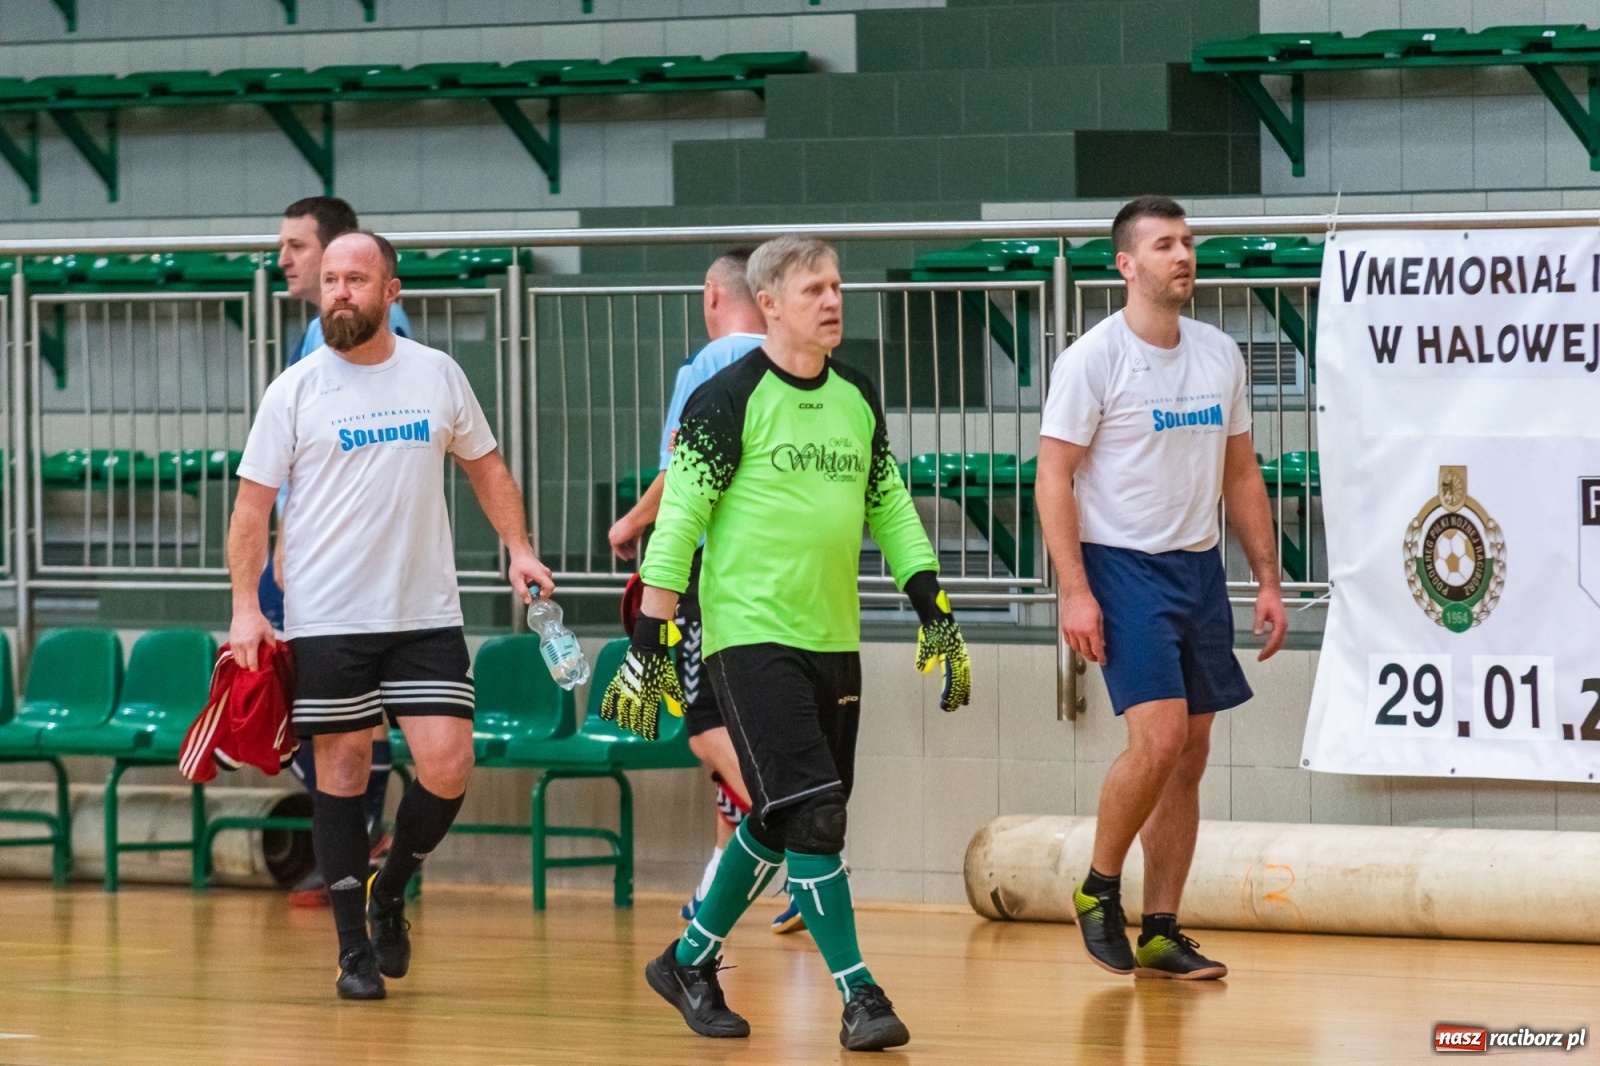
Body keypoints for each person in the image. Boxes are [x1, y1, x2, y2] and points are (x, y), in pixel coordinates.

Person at [599, 235, 973, 1052]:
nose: (832, 301)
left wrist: (935, 610)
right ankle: (859, 994)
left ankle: (686, 962)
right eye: (813, 290)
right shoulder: (726, 398)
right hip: (747, 637)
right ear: (767, 303)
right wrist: (651, 640)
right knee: (816, 813)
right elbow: (679, 521)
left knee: (779, 818)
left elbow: (890, 506)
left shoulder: (856, 394)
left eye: (836, 286)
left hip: (833, 637)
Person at [228, 230, 554, 1000]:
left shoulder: (437, 374)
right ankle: (353, 952)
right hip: (327, 616)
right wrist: (246, 607)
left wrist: (519, 548)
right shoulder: (295, 390)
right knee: (341, 771)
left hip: (423, 611)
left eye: (356, 279)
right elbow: (250, 508)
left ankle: (391, 885)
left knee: (448, 764)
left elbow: (487, 468)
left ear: (391, 291)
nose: (339, 292)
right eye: (330, 280)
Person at [1035, 195, 1287, 982]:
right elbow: (1052, 476)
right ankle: (1098, 888)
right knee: (1161, 739)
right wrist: (1074, 591)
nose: (1183, 255)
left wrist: (1267, 577)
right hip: (1122, 566)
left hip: (1198, 568)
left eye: (1188, 242)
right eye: (1164, 245)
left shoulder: (1219, 354)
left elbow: (1240, 472)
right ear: (1126, 265)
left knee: (1190, 754)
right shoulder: (1094, 359)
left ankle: (1161, 928)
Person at [606, 249, 805, 934]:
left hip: (715, 574)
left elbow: (682, 474)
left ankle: (808, 851)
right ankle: (717, 889)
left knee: (706, 730)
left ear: (713, 295)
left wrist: (631, 522)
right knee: (742, 741)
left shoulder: (711, 363)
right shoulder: (799, 364)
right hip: (789, 576)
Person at [268, 196, 414, 907]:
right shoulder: (315, 336)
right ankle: (360, 837)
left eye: (297, 246)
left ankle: (364, 835)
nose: (284, 260)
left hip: (336, 561)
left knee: (335, 708)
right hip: (318, 551)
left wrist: (289, 541)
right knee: (322, 709)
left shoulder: (375, 335)